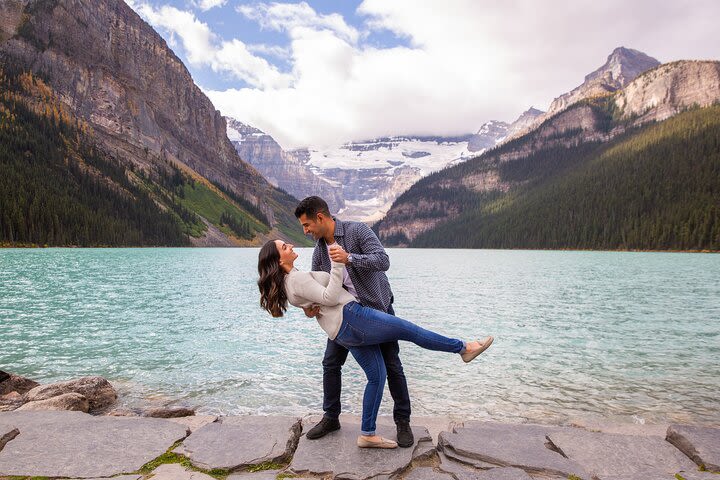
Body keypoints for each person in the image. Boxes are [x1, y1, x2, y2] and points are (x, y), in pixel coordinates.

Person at [257, 239, 494, 449]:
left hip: (343, 330)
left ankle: (367, 434)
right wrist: (338, 263)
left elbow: (314, 301)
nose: (290, 245)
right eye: (284, 247)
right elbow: (329, 297)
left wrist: (310, 308)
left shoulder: (291, 280)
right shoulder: (296, 279)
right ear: (278, 260)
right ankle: (464, 348)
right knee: (409, 330)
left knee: (377, 375)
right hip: (352, 317)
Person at [294, 196, 414, 447]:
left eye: (307, 225)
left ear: (320, 217)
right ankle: (331, 417)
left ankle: (402, 421)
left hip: (378, 310)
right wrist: (311, 308)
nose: (305, 231)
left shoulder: (357, 231)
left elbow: (383, 261)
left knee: (392, 365)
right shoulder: (318, 253)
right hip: (344, 317)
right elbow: (321, 290)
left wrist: (349, 258)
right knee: (330, 362)